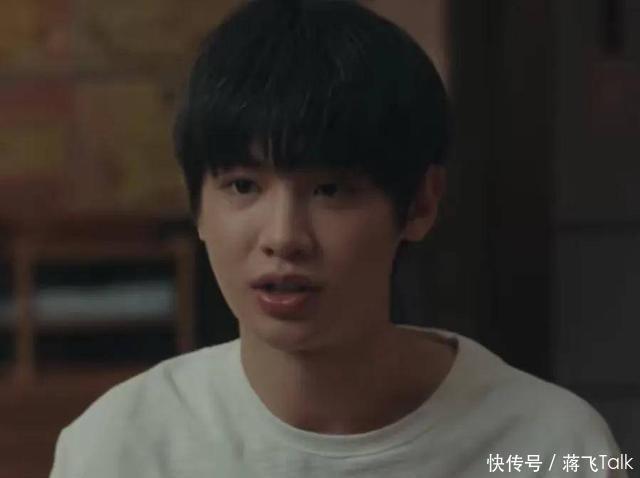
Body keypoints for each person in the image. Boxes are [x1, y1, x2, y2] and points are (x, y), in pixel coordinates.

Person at [50, 1, 629, 477]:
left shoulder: (550, 446)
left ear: (420, 204)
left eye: (329, 190)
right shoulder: (122, 447)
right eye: (243, 186)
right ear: (196, 206)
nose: (283, 237)